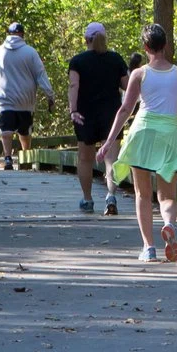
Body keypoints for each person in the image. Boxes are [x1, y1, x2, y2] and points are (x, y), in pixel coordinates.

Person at [97, 24, 177, 263]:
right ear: (165, 45)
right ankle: (168, 224)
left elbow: (125, 109)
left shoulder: (139, 74)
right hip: (170, 134)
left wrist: (109, 141)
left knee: (142, 194)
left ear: (145, 47)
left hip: (143, 133)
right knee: (168, 196)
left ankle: (149, 248)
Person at [67, 23, 129, 214]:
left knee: (85, 159)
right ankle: (111, 195)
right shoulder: (116, 59)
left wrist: (73, 110)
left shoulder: (77, 61)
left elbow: (73, 86)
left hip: (84, 115)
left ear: (86, 40)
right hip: (111, 114)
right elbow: (128, 86)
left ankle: (87, 199)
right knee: (111, 159)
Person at [0, 22, 52, 169]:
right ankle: (25, 158)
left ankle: (8, 158)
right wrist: (49, 94)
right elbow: (40, 74)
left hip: (4, 98)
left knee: (6, 130)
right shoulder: (31, 52)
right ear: (22, 34)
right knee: (25, 131)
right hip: (25, 100)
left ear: (8, 34)